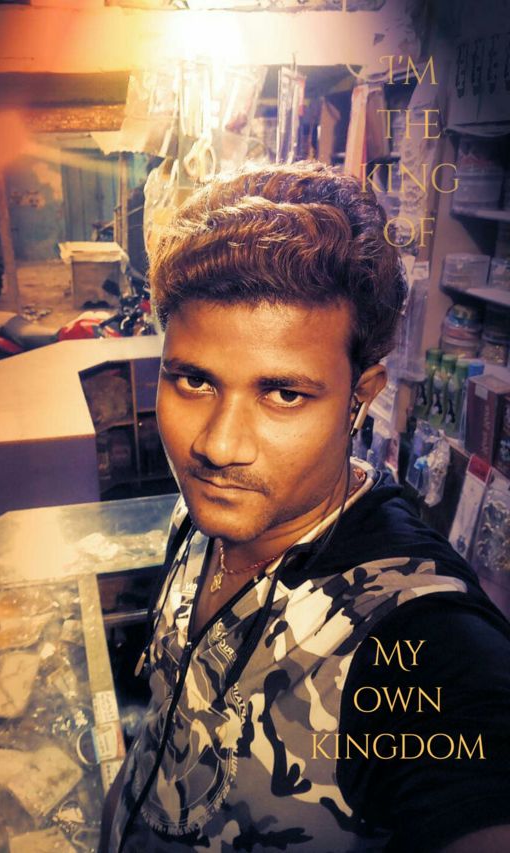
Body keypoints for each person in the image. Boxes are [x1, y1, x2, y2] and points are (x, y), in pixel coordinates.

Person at [101, 162, 510, 852]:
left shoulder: (418, 639)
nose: (217, 446)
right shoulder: (201, 517)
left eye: (284, 394)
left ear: (361, 394)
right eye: (194, 381)